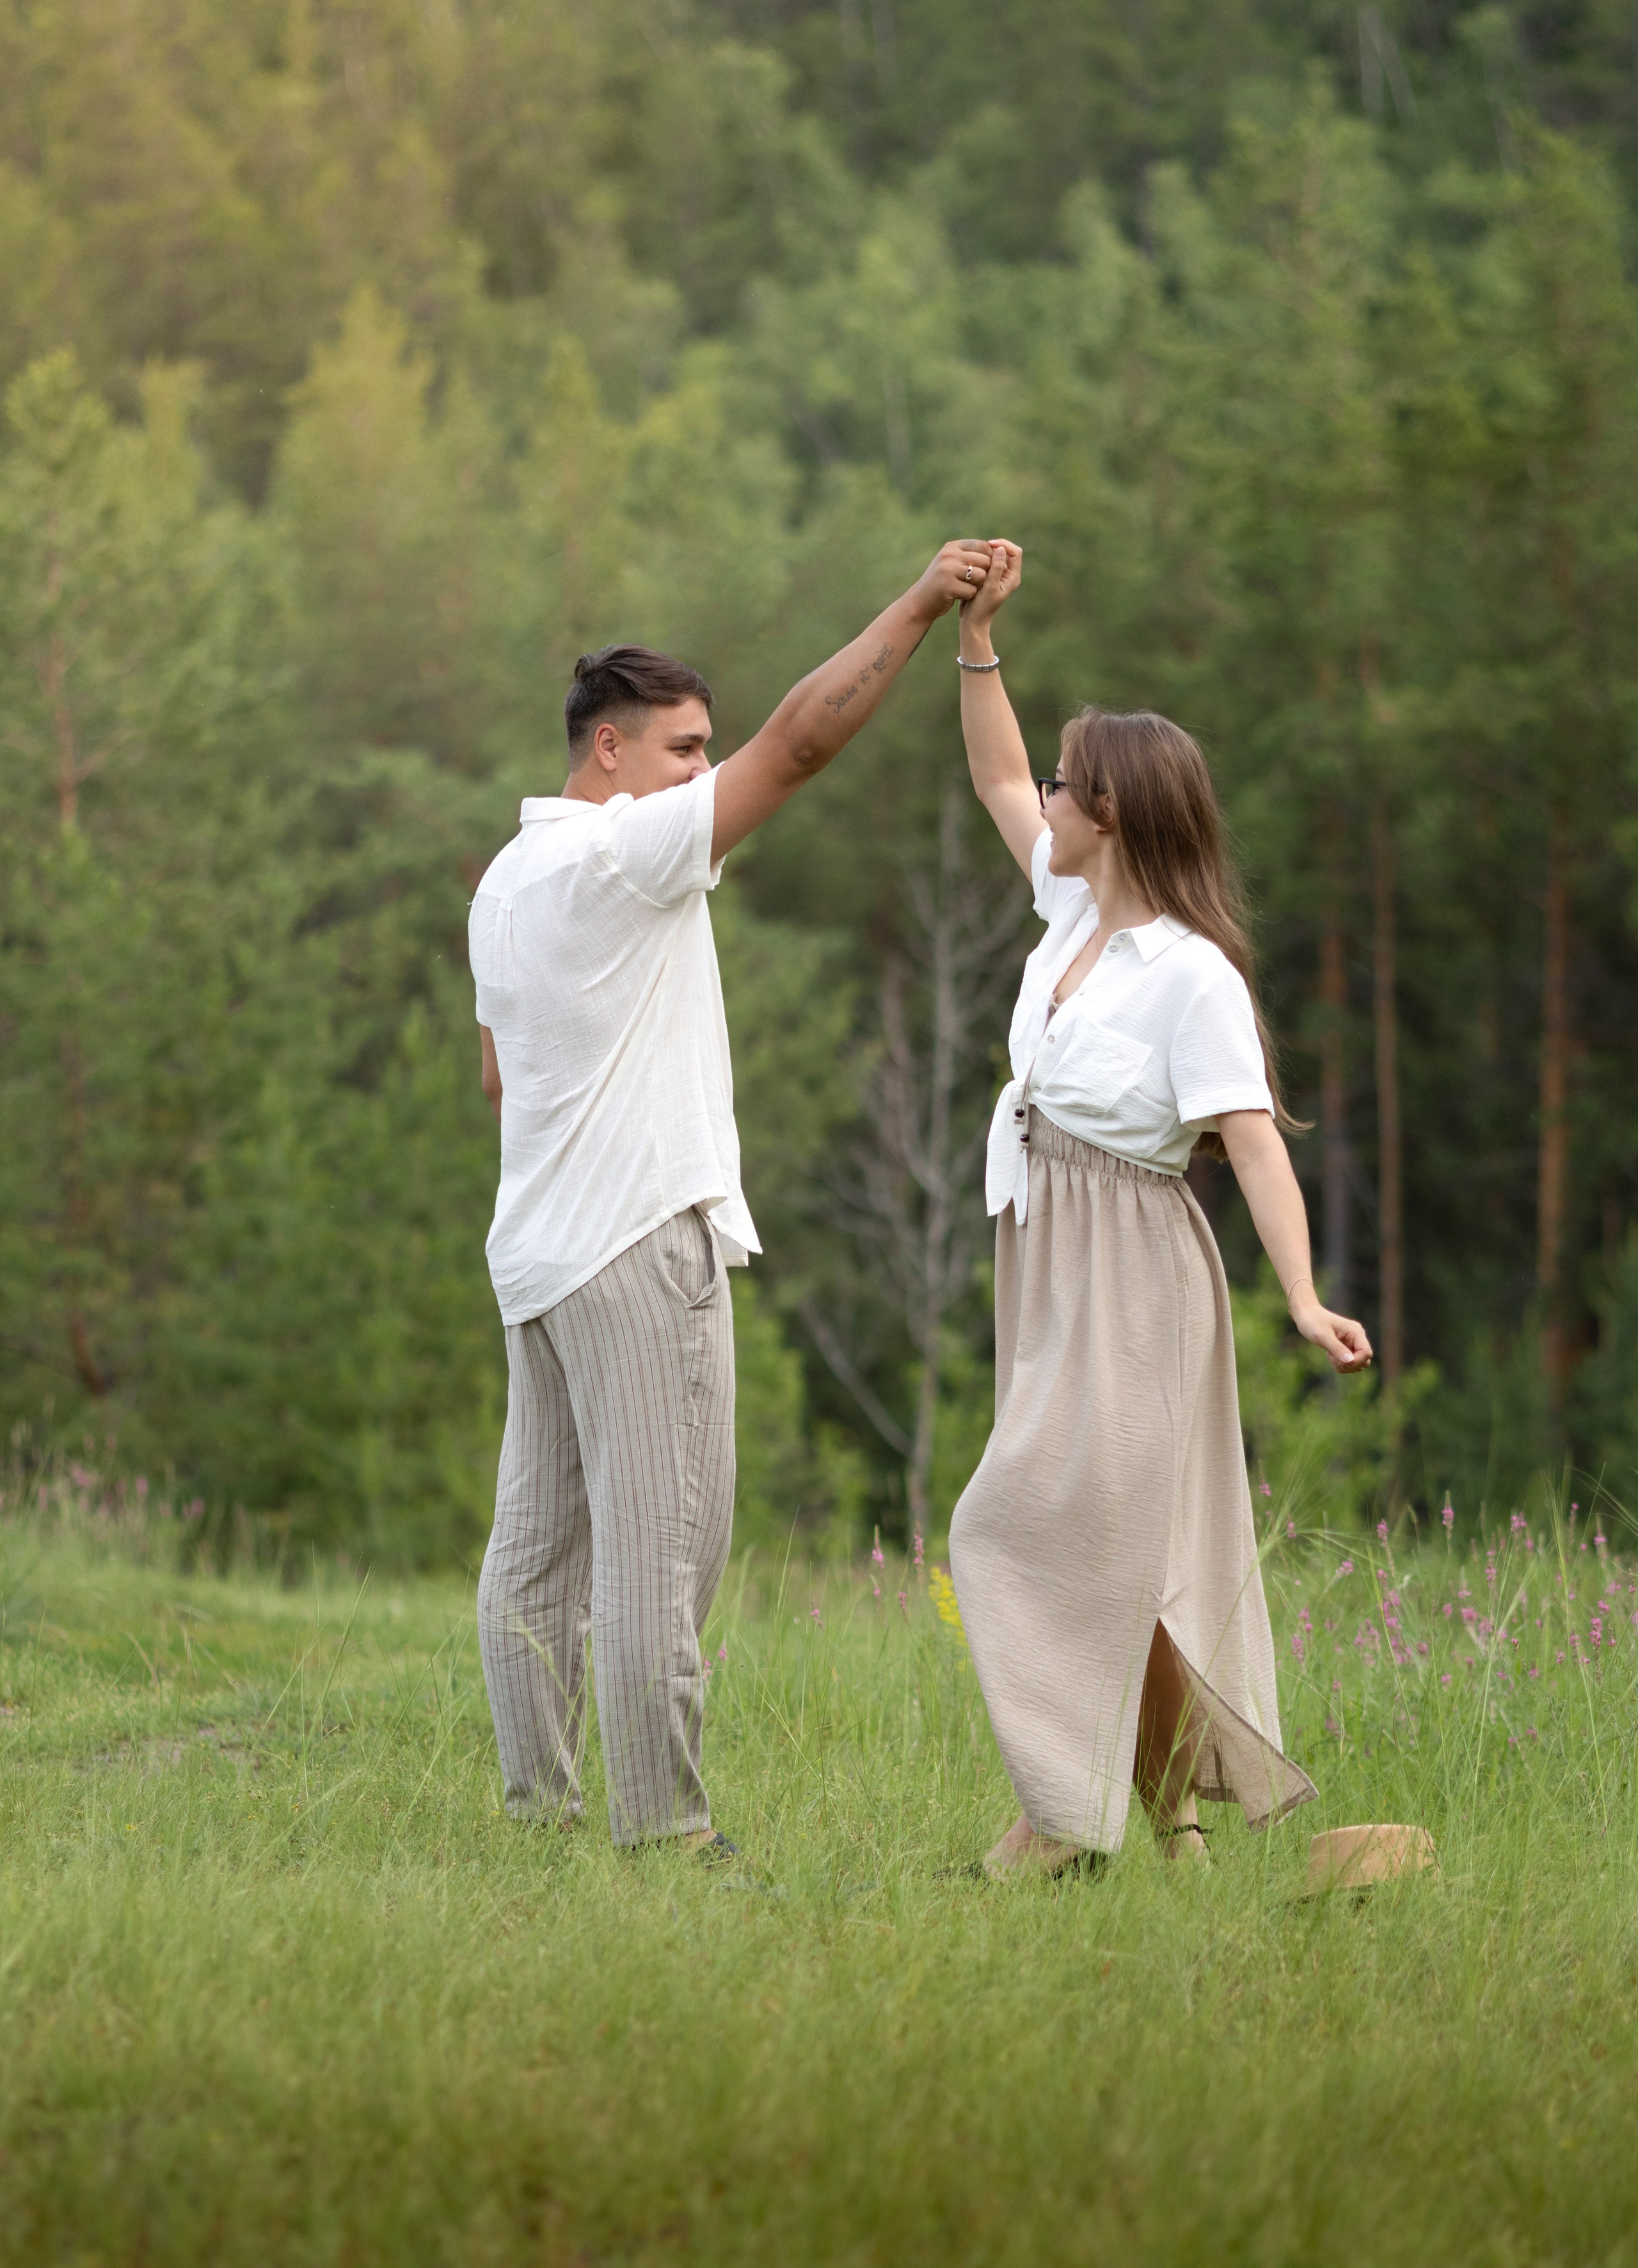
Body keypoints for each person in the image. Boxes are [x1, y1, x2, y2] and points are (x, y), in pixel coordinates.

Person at [469, 541, 996, 1854]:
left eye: (705, 750)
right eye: (681, 750)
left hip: (537, 1255)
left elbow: (496, 1076)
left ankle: (538, 1818)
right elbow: (801, 748)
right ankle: (667, 1840)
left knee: (534, 1554)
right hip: (638, 1243)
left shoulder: (505, 878)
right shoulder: (619, 858)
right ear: (607, 753)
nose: (704, 775)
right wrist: (924, 602)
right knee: (662, 1555)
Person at [946, 541, 1372, 1879]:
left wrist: (1300, 1300)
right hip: (1043, 1253)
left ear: (1113, 810)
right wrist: (976, 639)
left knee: (1012, 1529)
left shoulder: (1190, 977)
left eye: (1073, 787)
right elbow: (996, 771)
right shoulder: (1065, 904)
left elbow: (1249, 1145)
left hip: (1133, 1269)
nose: (1050, 800)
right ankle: (1174, 1823)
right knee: (1109, 1557)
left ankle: (1055, 1824)